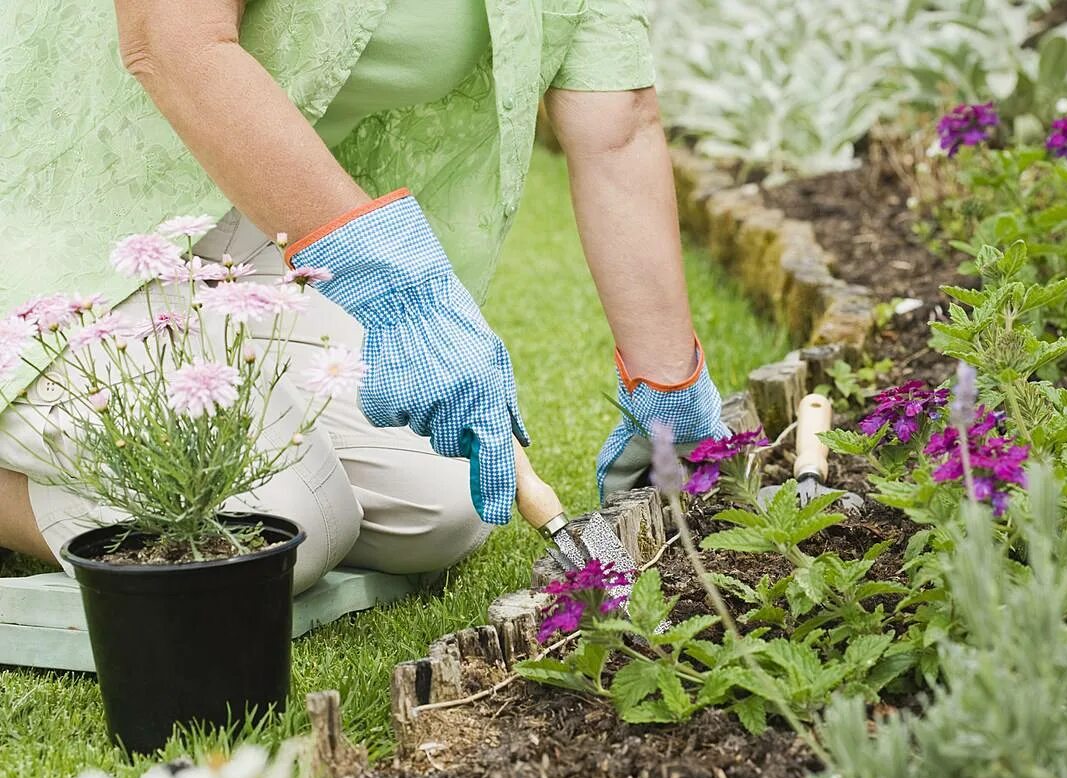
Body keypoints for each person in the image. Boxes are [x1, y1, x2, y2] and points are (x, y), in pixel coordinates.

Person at [0, 0, 728, 592]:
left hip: (241, 232)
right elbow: (168, 36)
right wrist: (392, 282)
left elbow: (619, 124)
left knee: (446, 505)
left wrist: (670, 393)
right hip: (48, 222)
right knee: (284, 530)